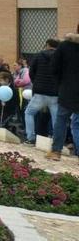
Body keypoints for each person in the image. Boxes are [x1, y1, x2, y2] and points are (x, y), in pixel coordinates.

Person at [48, 29, 79, 161]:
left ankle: (56, 151)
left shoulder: (65, 45)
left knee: (61, 120)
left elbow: (54, 67)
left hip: (68, 89)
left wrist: (61, 83)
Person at [25, 39, 60, 146]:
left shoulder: (38, 55)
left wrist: (36, 83)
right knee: (56, 118)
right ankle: (56, 142)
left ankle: (31, 138)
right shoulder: (61, 57)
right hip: (55, 93)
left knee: (29, 113)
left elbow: (31, 72)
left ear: (47, 45)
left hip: (40, 92)